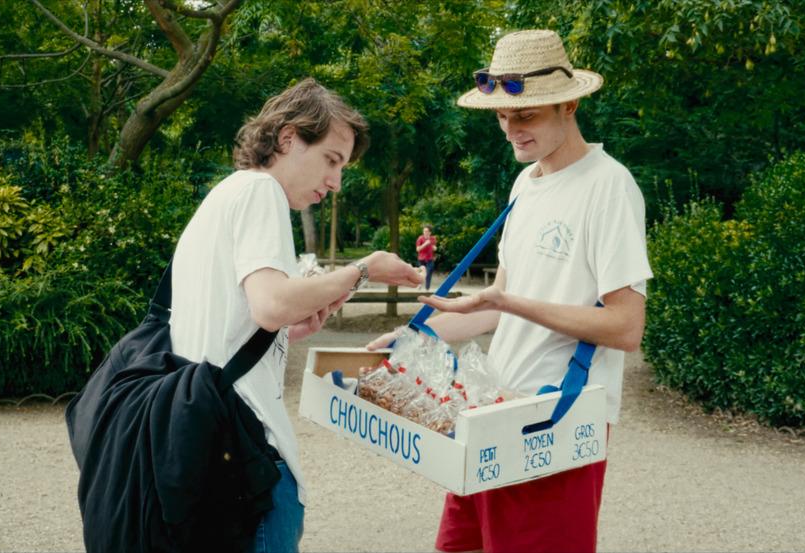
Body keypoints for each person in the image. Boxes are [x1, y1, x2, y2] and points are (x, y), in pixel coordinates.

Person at [368, 30, 652, 553]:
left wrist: (505, 302)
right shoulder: (526, 184)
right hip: (492, 413)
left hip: (556, 422)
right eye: (501, 115)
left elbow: (625, 327)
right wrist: (414, 338)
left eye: (525, 115)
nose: (509, 129)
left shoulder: (610, 186)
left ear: (568, 104)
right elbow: (496, 305)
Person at [169, 78, 422, 553]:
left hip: (202, 443)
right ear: (288, 139)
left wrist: (290, 328)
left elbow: (251, 316)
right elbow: (272, 304)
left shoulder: (226, 196)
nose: (336, 182)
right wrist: (364, 268)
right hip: (246, 453)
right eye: (331, 160)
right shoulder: (262, 192)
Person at [415, 224, 438, 290]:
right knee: (422, 273)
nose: (425, 232)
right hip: (421, 259)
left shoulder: (433, 238)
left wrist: (435, 248)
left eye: (426, 231)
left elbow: (434, 247)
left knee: (428, 273)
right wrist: (425, 244)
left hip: (430, 259)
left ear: (430, 232)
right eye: (424, 231)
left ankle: (427, 288)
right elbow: (417, 249)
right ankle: (419, 284)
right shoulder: (420, 238)